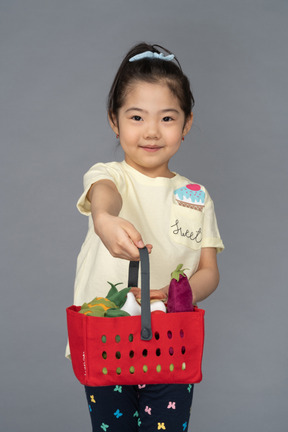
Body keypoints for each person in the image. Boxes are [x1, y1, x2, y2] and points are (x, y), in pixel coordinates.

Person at [66, 42, 224, 432]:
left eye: (167, 118)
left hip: (170, 343)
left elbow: (209, 270)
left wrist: (175, 293)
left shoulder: (197, 196)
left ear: (186, 124)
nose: (151, 131)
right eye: (136, 117)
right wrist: (103, 218)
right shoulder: (109, 175)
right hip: (107, 341)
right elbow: (105, 195)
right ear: (114, 121)